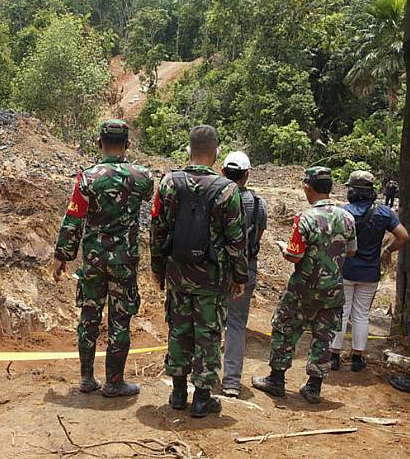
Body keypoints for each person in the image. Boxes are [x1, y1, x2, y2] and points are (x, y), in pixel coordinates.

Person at [150, 125, 248, 418]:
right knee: (208, 334)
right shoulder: (228, 190)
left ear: (188, 150)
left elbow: (157, 230)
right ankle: (203, 398)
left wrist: (158, 269)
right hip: (212, 279)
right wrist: (240, 277)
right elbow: (236, 239)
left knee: (178, 330)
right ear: (216, 152)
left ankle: (178, 393)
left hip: (178, 275)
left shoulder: (168, 183)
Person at [53, 119, 154, 397]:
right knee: (121, 320)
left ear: (99, 144)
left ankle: (87, 379)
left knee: (89, 317)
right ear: (128, 145)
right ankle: (114, 382)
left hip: (94, 260)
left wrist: (62, 255)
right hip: (124, 260)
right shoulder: (142, 177)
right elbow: (148, 199)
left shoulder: (87, 178)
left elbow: (73, 217)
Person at [253, 167, 357, 404]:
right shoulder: (347, 218)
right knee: (323, 337)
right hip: (333, 290)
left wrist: (283, 247)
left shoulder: (306, 218)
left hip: (303, 290)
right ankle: (313, 387)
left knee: (284, 328)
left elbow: (294, 256)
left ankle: (276, 380)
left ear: (308, 188)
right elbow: (352, 251)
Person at [330, 171, 409, 372]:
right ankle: (357, 358)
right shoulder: (384, 213)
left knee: (342, 312)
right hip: (370, 273)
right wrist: (388, 250)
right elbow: (403, 236)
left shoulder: (343, 212)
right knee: (361, 314)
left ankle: (334, 357)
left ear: (353, 191)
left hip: (346, 271)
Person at [220, 151, 267, 397]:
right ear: (247, 175)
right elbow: (256, 239)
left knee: (209, 322)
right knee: (236, 325)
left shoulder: (215, 198)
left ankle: (202, 377)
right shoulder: (258, 204)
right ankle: (231, 382)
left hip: (216, 270)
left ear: (222, 172)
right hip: (245, 270)